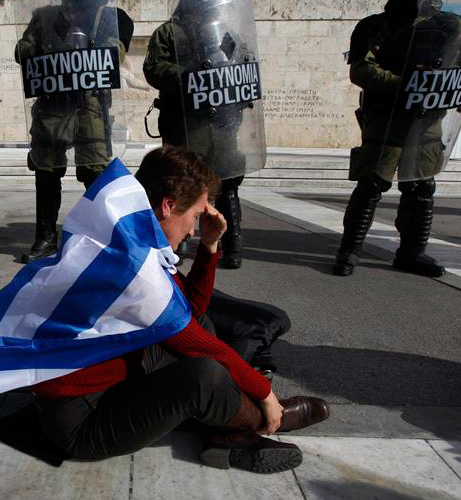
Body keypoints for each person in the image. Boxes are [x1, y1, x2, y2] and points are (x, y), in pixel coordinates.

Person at [31, 146, 329, 473]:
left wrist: (209, 246)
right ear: (168, 205)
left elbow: (193, 309)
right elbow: (196, 344)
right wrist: (266, 397)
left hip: (114, 379)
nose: (192, 229)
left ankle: (224, 434)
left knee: (200, 323)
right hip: (82, 419)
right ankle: (262, 424)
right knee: (203, 375)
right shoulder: (130, 266)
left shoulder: (133, 234)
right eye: (195, 218)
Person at [333, 0, 459, 277]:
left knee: (422, 189)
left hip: (427, 119)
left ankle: (412, 254)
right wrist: (408, 86)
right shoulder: (376, 25)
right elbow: (361, 70)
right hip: (386, 118)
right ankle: (349, 252)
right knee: (371, 185)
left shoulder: (449, 26)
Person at [16, 0, 134, 263]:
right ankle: (45, 238)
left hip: (89, 104)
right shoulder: (44, 17)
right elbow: (22, 51)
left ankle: (99, 237)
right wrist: (42, 49)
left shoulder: (108, 16)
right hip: (53, 102)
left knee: (95, 172)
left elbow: (115, 53)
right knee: (46, 171)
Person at [144, 0, 259, 269]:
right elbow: (154, 69)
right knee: (183, 181)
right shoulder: (170, 32)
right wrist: (190, 75)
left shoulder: (225, 30)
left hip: (221, 122)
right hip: (185, 125)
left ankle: (232, 242)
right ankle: (179, 240)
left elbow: (242, 61)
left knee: (229, 182)